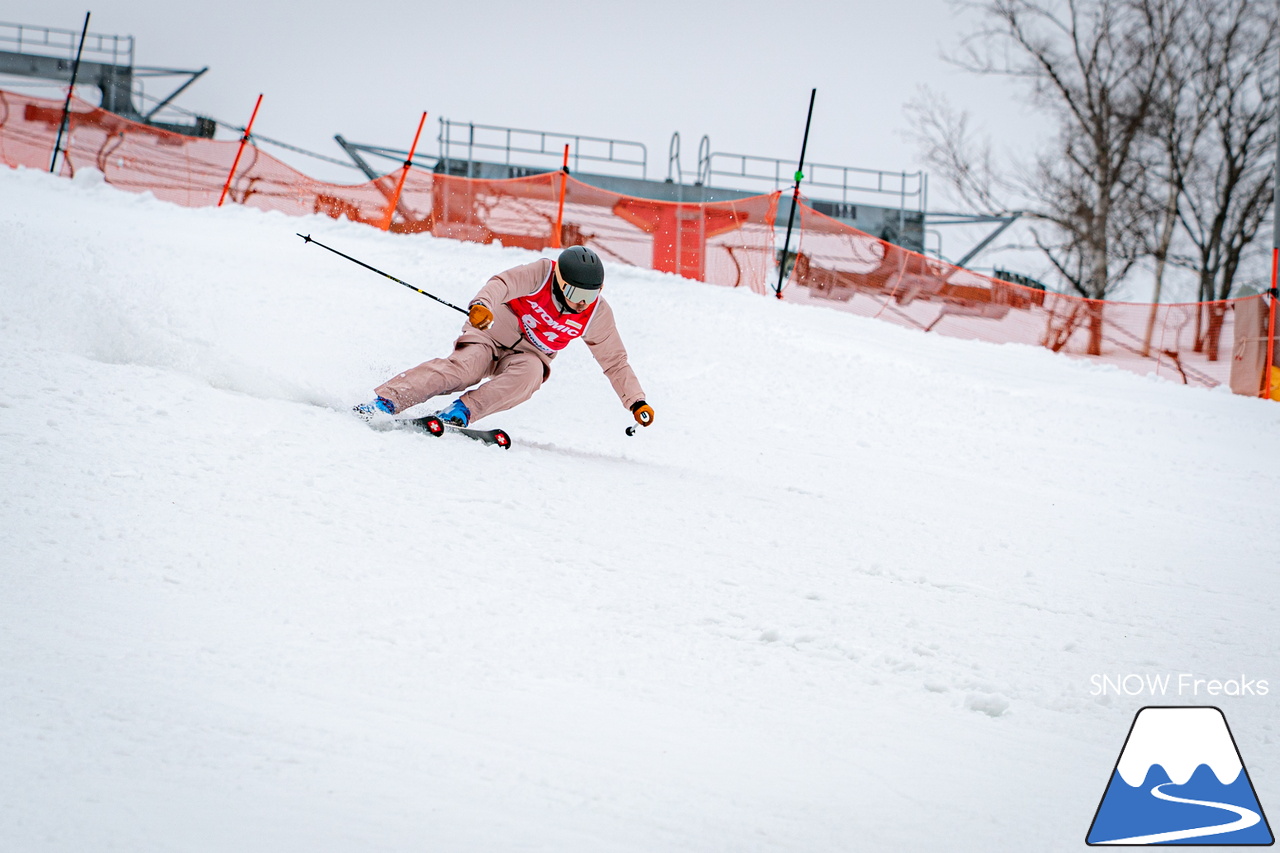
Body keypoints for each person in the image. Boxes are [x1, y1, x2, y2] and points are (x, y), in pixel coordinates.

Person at [353, 246, 654, 430]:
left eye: (591, 295)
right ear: (561, 281)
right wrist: (481, 306)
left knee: (531, 375)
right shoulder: (542, 274)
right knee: (465, 368)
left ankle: (461, 412)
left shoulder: (596, 314)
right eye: (576, 294)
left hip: (529, 356)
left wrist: (636, 401)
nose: (581, 303)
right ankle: (385, 402)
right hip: (491, 334)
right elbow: (502, 283)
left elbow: (615, 362)